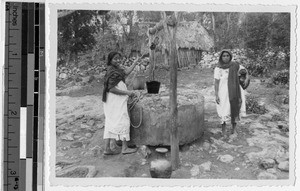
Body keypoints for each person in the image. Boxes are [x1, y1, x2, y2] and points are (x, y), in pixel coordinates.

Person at [102, 51, 139, 155]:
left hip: (114, 100)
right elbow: (112, 88)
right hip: (115, 100)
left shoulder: (116, 69)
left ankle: (107, 149)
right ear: (110, 60)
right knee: (123, 119)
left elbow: (126, 72)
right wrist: (127, 92)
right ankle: (125, 148)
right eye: (115, 59)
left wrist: (135, 62)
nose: (118, 60)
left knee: (111, 122)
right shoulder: (112, 71)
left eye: (119, 58)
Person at [214, 49, 250, 137]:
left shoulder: (236, 65)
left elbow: (245, 72)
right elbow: (216, 82)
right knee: (223, 110)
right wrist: (216, 94)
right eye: (224, 56)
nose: (226, 57)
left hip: (235, 91)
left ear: (230, 56)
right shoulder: (218, 68)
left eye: (227, 56)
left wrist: (246, 79)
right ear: (221, 57)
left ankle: (234, 129)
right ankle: (223, 130)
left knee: (234, 108)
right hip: (223, 92)